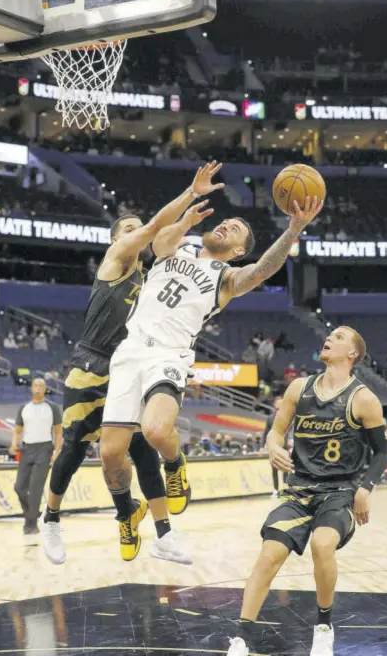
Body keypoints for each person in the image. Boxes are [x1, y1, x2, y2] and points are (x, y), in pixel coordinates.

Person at [100, 196, 323, 546]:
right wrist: (186, 220)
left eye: (234, 229)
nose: (224, 225)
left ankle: (174, 464)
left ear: (237, 251)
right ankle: (127, 510)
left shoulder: (227, 277)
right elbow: (157, 242)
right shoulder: (180, 246)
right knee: (110, 453)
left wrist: (293, 229)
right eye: (225, 222)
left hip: (170, 354)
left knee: (156, 430)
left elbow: (262, 269)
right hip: (129, 350)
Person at [40, 161, 223, 565]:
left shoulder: (155, 275)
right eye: (128, 228)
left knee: (140, 450)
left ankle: (161, 532)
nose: (136, 233)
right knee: (74, 447)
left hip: (132, 366)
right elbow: (157, 228)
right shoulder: (117, 259)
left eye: (136, 229)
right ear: (115, 238)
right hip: (92, 360)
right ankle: (51, 519)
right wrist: (190, 196)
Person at [226, 326, 387, 656]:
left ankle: (324, 626)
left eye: (340, 336)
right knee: (268, 555)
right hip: (299, 489)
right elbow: (276, 431)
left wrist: (365, 489)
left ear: (353, 354)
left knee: (322, 543)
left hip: (340, 491)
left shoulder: (364, 399)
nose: (331, 337)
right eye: (332, 334)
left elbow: (382, 452)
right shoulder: (299, 388)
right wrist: (273, 447)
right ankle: (241, 638)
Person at [10, 378, 62, 535]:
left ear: (45, 389)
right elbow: (18, 430)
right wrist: (14, 443)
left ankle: (30, 524)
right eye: (35, 386)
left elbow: (58, 432)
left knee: (35, 488)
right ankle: (31, 515)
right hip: (27, 449)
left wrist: (57, 451)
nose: (38, 388)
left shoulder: (52, 408)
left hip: (45, 448)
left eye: (41, 386)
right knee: (19, 487)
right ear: (31, 388)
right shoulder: (24, 408)